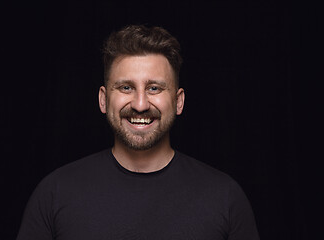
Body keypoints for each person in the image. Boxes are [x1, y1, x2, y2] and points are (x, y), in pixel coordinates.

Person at [17, 25, 260, 240]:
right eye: (126, 87)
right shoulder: (55, 193)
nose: (140, 104)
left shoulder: (225, 197)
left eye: (154, 88)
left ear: (178, 101)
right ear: (103, 100)